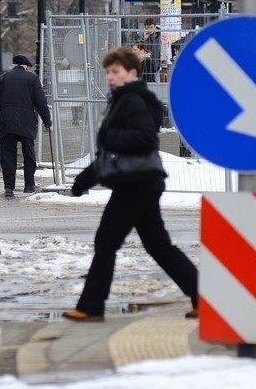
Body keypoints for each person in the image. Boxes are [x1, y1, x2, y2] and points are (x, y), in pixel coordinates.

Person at [64, 47, 198, 322]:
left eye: (116, 72)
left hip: (136, 184)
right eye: (108, 72)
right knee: (159, 246)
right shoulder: (125, 99)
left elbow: (144, 139)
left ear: (132, 73)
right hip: (140, 182)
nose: (110, 77)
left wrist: (110, 136)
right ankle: (207, 298)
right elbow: (113, 154)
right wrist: (84, 180)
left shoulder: (132, 100)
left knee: (106, 242)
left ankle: (91, 306)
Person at [0, 54, 52, 198]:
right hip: (27, 123)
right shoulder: (32, 79)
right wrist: (47, 120)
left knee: (8, 155)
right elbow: (41, 102)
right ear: (26, 67)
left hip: (7, 123)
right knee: (29, 153)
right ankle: (29, 185)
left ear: (14, 65)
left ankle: (9, 188)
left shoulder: (2, 79)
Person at [137, 18, 161, 83]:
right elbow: (138, 48)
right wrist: (144, 39)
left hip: (156, 64)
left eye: (151, 27)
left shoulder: (159, 36)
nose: (150, 30)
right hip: (144, 66)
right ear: (144, 28)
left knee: (156, 86)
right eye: (147, 28)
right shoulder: (141, 36)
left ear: (155, 27)